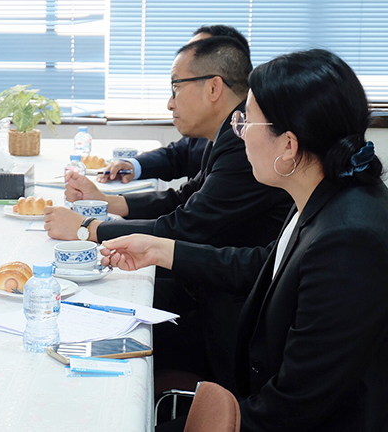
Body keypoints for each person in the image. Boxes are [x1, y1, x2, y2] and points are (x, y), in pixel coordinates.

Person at [101, 50, 388, 431]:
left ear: (288, 144)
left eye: (246, 120)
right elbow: (265, 266)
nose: (238, 132)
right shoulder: (323, 191)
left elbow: (294, 406)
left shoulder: (349, 241)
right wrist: (159, 250)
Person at [45, 36, 292, 390]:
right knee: (93, 301)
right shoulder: (225, 138)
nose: (169, 101)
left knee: (86, 319)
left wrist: (89, 228)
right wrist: (111, 205)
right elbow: (185, 200)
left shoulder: (241, 148)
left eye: (176, 86)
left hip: (227, 316)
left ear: (213, 88)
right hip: (211, 288)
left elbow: (186, 226)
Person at [101, 24, 250, 184]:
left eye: (199, 50)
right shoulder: (215, 130)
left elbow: (195, 206)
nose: (170, 105)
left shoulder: (245, 141)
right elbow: (179, 157)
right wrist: (132, 166)